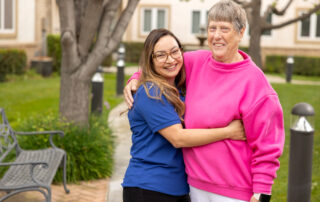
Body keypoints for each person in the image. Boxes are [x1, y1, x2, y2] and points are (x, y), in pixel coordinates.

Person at [124, 1, 285, 202]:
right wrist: (135, 78)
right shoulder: (196, 62)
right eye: (212, 28)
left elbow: (267, 143)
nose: (217, 35)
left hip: (233, 191)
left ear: (241, 32)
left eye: (224, 28)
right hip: (193, 187)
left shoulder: (255, 83)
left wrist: (262, 191)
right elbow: (163, 64)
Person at [122, 28, 246, 202]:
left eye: (174, 51)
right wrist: (229, 132)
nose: (170, 59)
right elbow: (178, 138)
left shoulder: (178, 88)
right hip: (149, 187)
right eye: (161, 55)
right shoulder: (151, 92)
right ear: (150, 60)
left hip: (177, 188)